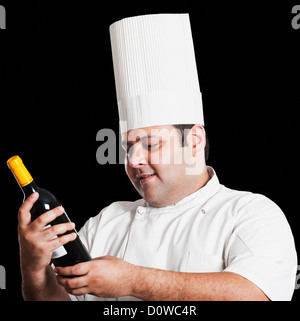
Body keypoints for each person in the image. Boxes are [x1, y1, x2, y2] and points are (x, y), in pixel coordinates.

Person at [17, 14, 297, 301]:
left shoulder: (251, 213)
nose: (134, 159)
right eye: (128, 148)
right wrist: (34, 267)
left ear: (194, 140)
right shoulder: (107, 222)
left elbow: (255, 295)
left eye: (150, 144)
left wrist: (133, 281)